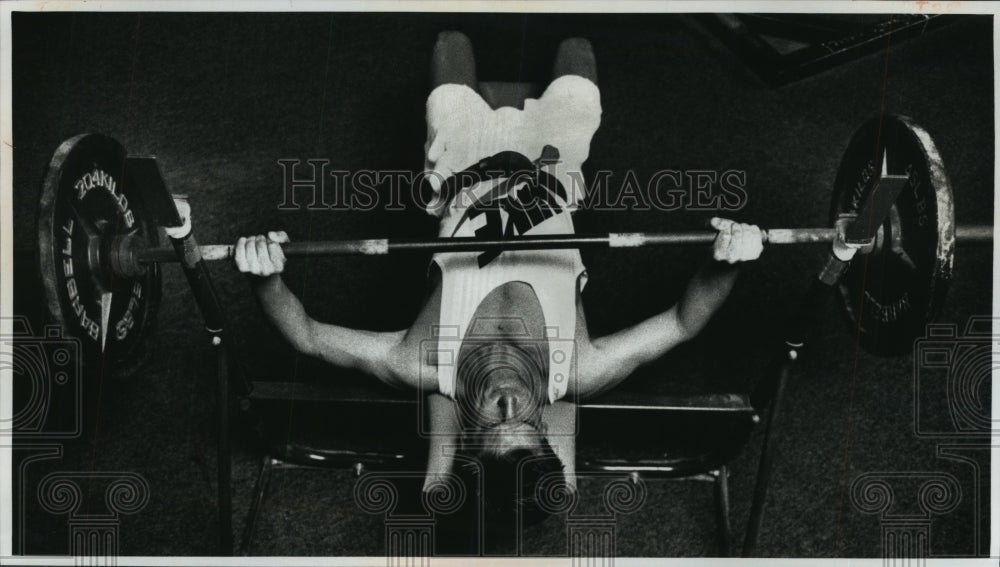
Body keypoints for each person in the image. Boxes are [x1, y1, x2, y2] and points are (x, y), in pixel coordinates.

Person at [233, 32, 764, 523]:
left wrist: (266, 278)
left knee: (451, 41)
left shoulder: (422, 361)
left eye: (493, 421)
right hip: (553, 167)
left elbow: (305, 334)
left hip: (464, 165)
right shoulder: (577, 369)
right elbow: (683, 322)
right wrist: (727, 262)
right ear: (547, 432)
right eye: (529, 424)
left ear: (462, 438)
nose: (511, 400)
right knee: (577, 52)